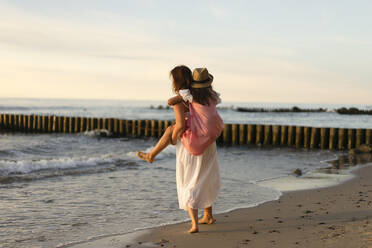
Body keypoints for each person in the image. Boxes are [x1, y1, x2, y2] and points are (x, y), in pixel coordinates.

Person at [140, 65, 224, 233]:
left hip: (194, 142)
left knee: (191, 180)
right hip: (210, 140)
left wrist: (172, 139)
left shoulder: (184, 98)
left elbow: (178, 125)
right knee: (205, 177)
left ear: (176, 81)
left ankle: (152, 155)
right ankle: (208, 215)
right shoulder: (211, 95)